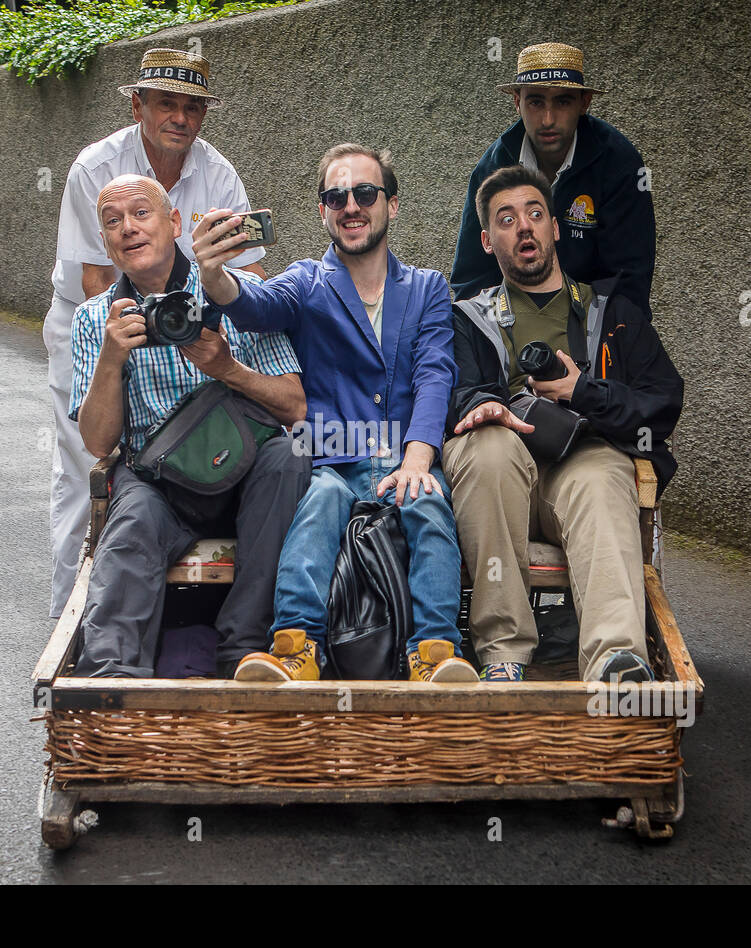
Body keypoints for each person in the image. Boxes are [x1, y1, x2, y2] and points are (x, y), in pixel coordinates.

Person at [193, 144, 478, 683]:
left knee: (431, 512)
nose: (351, 205)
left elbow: (435, 374)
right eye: (336, 196)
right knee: (318, 504)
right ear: (322, 210)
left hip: (404, 454)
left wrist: (420, 460)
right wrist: (213, 276)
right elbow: (252, 307)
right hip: (329, 454)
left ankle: (436, 654)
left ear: (391, 205)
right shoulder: (306, 280)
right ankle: (296, 650)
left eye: (365, 193)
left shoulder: (428, 288)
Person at [43, 48, 267, 618]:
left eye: (193, 107)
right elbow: (99, 283)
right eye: (167, 103)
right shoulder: (95, 168)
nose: (181, 118)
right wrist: (127, 358)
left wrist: (208, 349)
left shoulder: (219, 173)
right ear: (138, 105)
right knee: (87, 464)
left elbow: (253, 275)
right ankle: (73, 611)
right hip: (100, 318)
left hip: (195, 323)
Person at [443, 165, 682, 682]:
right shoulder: (464, 317)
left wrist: (582, 392)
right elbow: (447, 390)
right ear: (487, 241)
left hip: (578, 461)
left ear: (554, 226)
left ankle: (616, 660)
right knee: (485, 447)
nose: (523, 227)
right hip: (500, 467)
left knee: (602, 476)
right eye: (505, 220)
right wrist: (485, 406)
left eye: (534, 214)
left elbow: (662, 402)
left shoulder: (610, 312)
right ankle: (504, 653)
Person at [69, 174, 307, 679]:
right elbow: (96, 442)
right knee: (130, 524)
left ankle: (243, 652)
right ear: (106, 243)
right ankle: (110, 684)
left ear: (174, 222)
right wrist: (112, 359)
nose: (128, 228)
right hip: (161, 485)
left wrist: (228, 369)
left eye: (141, 213)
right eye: (113, 222)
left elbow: (295, 408)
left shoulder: (237, 293)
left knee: (290, 455)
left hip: (247, 476)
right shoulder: (96, 318)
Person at [450, 42, 655, 314]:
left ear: (584, 103)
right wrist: (492, 337)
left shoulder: (619, 163)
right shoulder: (492, 168)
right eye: (535, 101)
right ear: (517, 102)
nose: (547, 119)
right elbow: (471, 277)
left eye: (562, 101)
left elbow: (629, 282)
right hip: (513, 323)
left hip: (595, 327)